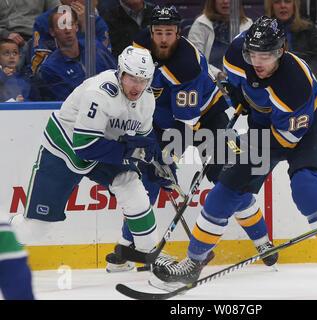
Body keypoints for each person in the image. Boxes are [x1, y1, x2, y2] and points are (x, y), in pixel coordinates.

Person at [151, 16, 317, 295]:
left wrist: (246, 146)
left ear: (281, 51)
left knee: (307, 190)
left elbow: (285, 140)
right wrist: (240, 95)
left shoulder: (295, 84)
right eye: (253, 54)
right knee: (225, 190)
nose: (259, 62)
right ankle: (193, 262)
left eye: (267, 55)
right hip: (265, 128)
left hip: (303, 132)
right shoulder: (235, 56)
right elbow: (239, 83)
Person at [106, 6, 278, 274]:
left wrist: (169, 156)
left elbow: (186, 125)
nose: (163, 39)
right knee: (147, 178)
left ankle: (262, 240)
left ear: (179, 32)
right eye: (159, 32)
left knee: (228, 179)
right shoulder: (140, 46)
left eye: (170, 33)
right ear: (151, 32)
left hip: (206, 117)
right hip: (162, 120)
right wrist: (158, 160)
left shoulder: (187, 65)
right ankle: (128, 248)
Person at [10, 45, 176, 271]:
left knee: (131, 186)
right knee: (35, 230)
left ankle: (149, 254)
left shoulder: (147, 99)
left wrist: (159, 164)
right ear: (120, 73)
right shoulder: (100, 92)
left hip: (106, 147)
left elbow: (145, 142)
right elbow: (85, 147)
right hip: (66, 148)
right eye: (132, 78)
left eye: (143, 79)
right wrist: (131, 150)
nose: (137, 86)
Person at [39, 9, 116, 101]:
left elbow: (117, 74)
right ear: (52, 32)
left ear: (76, 27)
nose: (67, 30)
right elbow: (70, 102)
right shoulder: (50, 68)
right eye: (61, 26)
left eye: (70, 24)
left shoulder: (95, 47)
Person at [30, 0, 112, 75]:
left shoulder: (96, 22)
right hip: (61, 79)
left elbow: (106, 62)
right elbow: (39, 70)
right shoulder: (44, 22)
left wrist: (85, 27)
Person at [187, 0, 253, 81]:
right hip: (208, 80)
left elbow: (251, 57)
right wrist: (218, 74)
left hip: (239, 80)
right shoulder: (201, 23)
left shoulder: (247, 23)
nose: (225, 1)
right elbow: (195, 58)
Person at [264, 0, 317, 81]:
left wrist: (304, 72)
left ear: (294, 5)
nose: (283, 5)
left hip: (304, 80)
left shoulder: (307, 29)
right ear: (271, 7)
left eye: (287, 1)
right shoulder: (262, 32)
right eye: (277, 2)